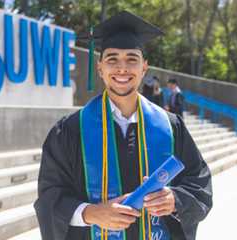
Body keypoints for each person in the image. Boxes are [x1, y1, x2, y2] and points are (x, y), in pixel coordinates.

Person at [34, 11, 212, 240]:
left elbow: (199, 183)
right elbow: (49, 196)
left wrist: (175, 200)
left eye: (131, 59)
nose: (122, 68)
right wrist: (90, 213)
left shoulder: (171, 127)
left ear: (144, 68)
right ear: (100, 68)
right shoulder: (69, 131)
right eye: (112, 59)